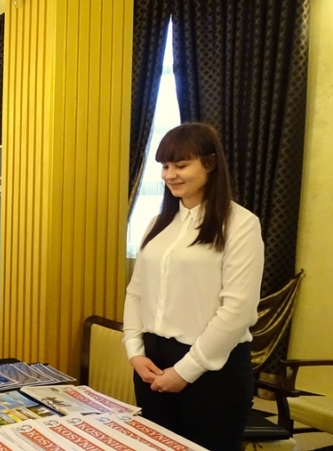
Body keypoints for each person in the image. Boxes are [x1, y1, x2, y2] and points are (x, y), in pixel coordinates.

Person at [123, 123, 264, 450]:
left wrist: (186, 370)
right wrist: (135, 352)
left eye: (181, 165)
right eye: (165, 166)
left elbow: (238, 311)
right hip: (152, 364)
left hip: (213, 370)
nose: (170, 175)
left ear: (210, 164)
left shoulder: (240, 224)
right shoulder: (158, 224)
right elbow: (136, 293)